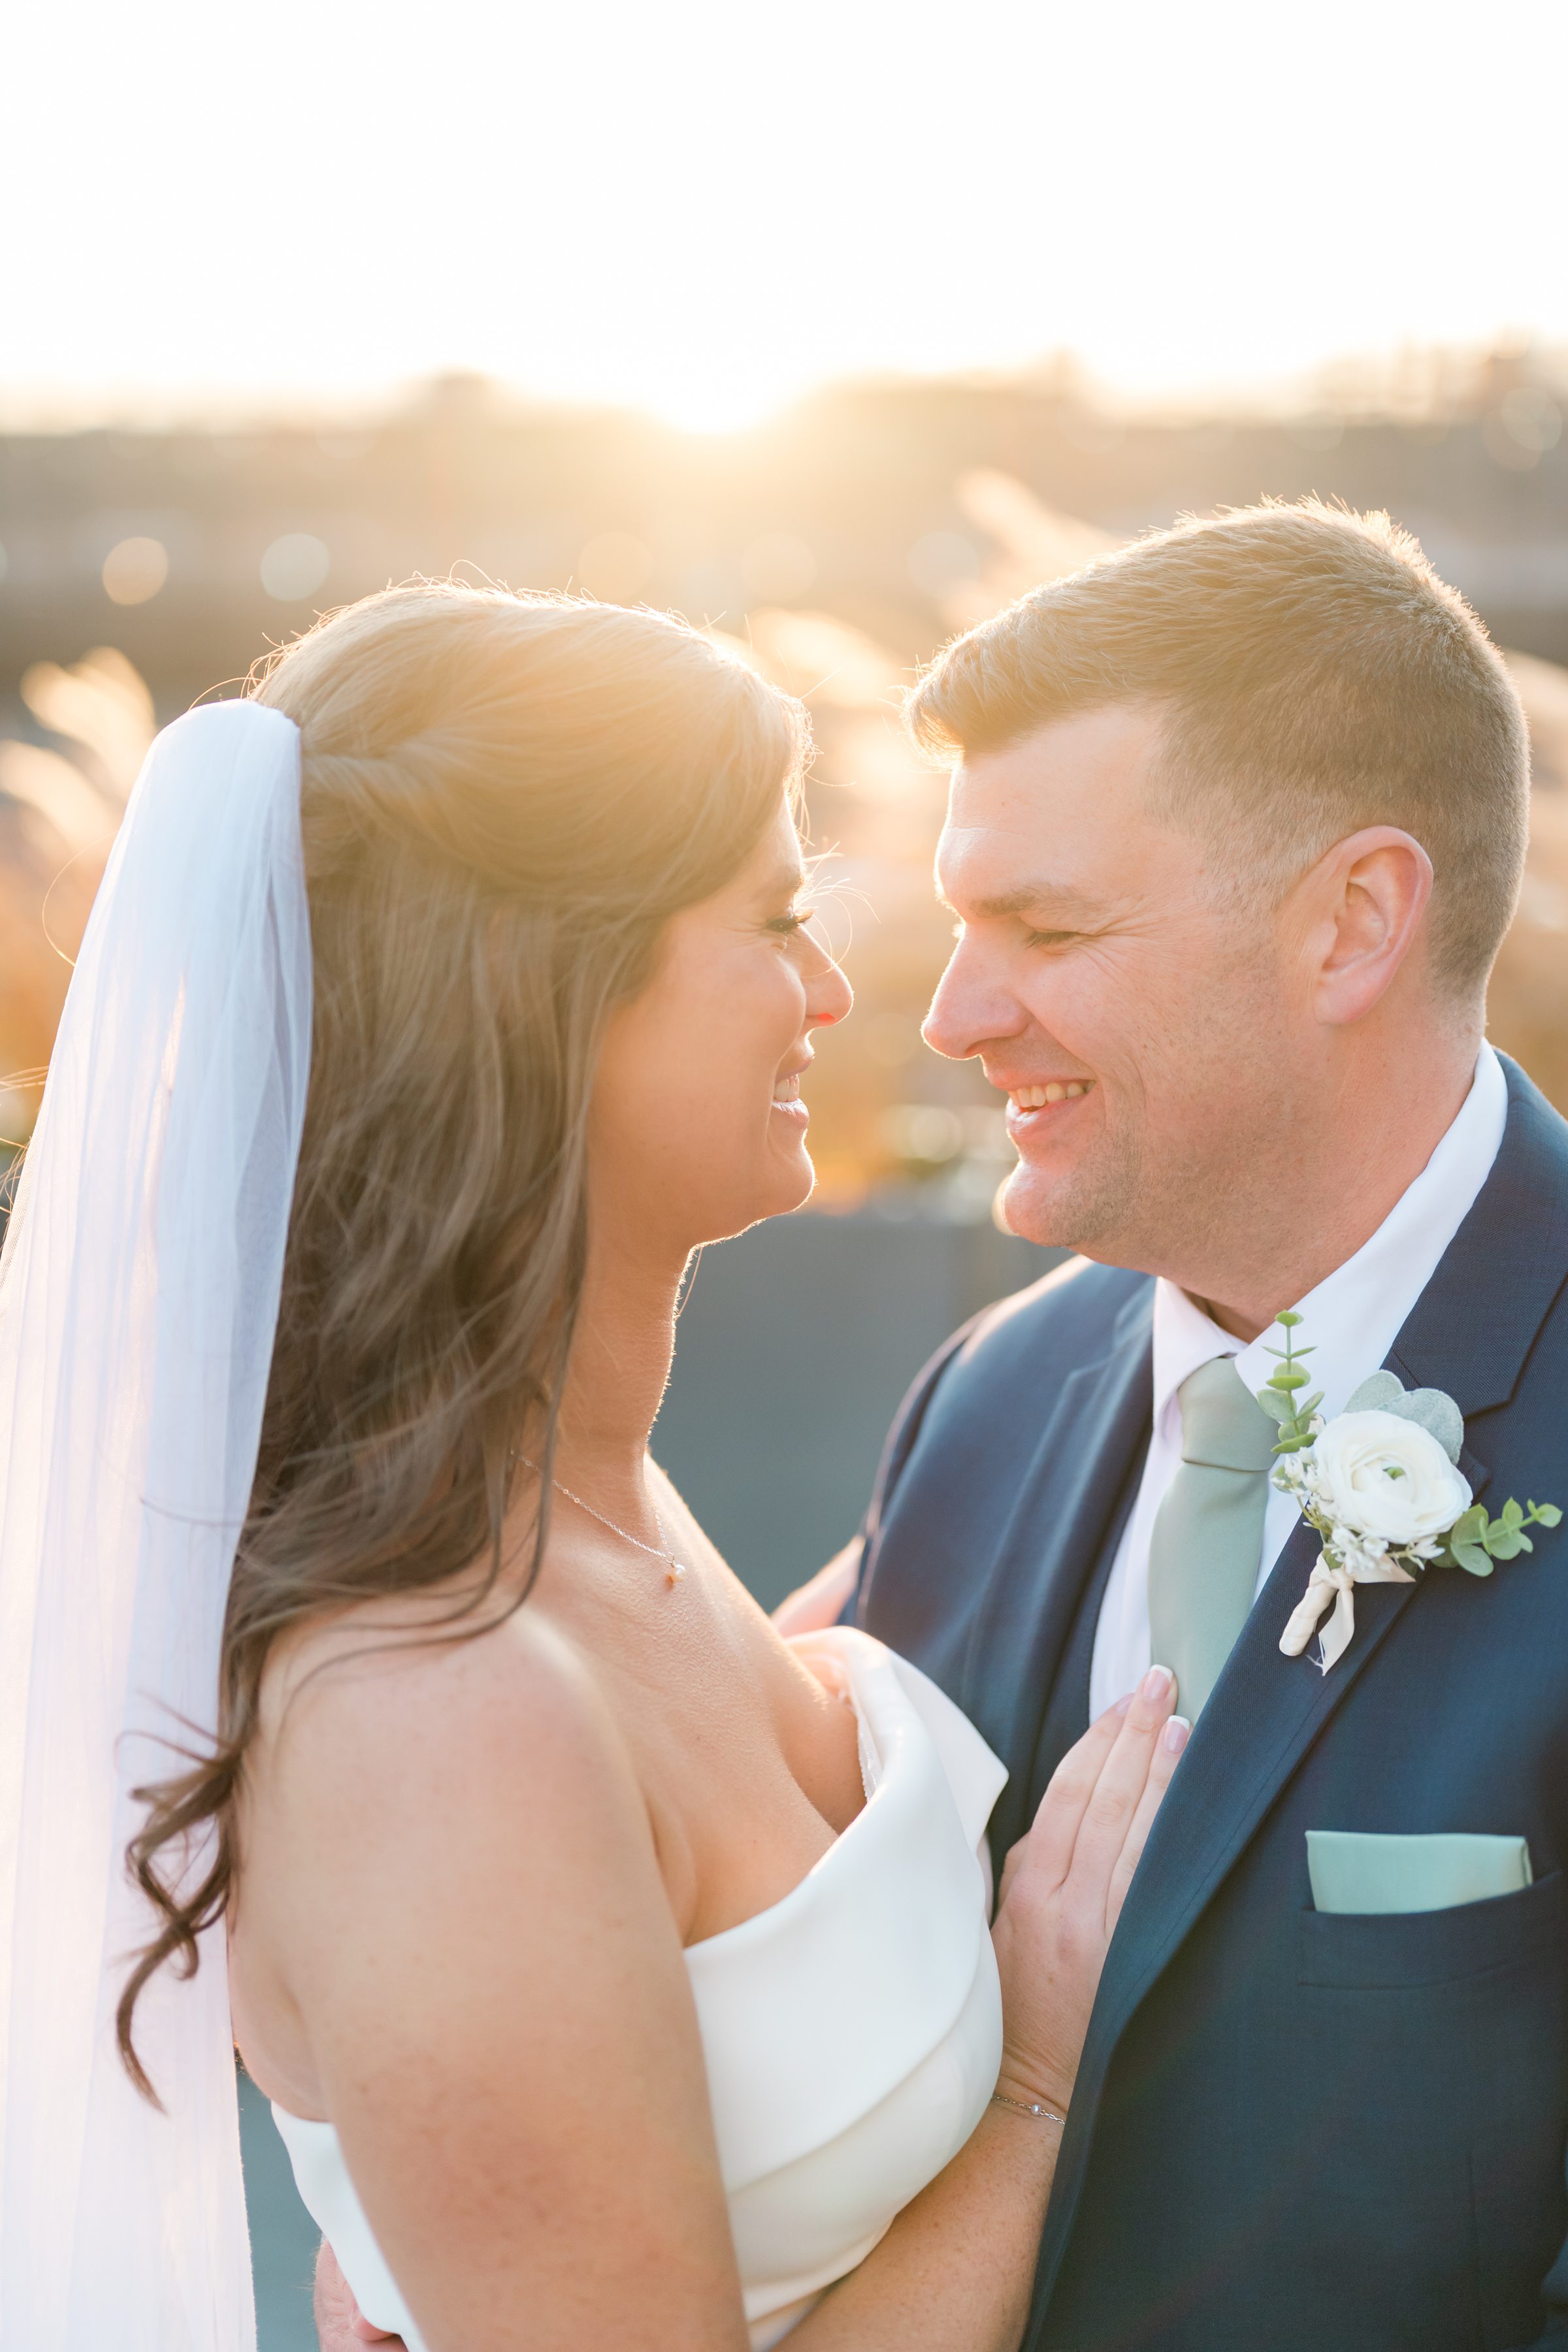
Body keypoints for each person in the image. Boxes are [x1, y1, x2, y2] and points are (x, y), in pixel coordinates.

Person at [0, 583, 1184, 2352]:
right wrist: (1029, 2095)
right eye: (776, 920)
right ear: (542, 990)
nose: (839, 993)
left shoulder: (598, 1505)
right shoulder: (429, 1718)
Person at [794, 499, 1568, 2350]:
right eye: (964, 923)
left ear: (1353, 923)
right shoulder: (987, 1402)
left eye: (1046, 927)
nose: (955, 1011)